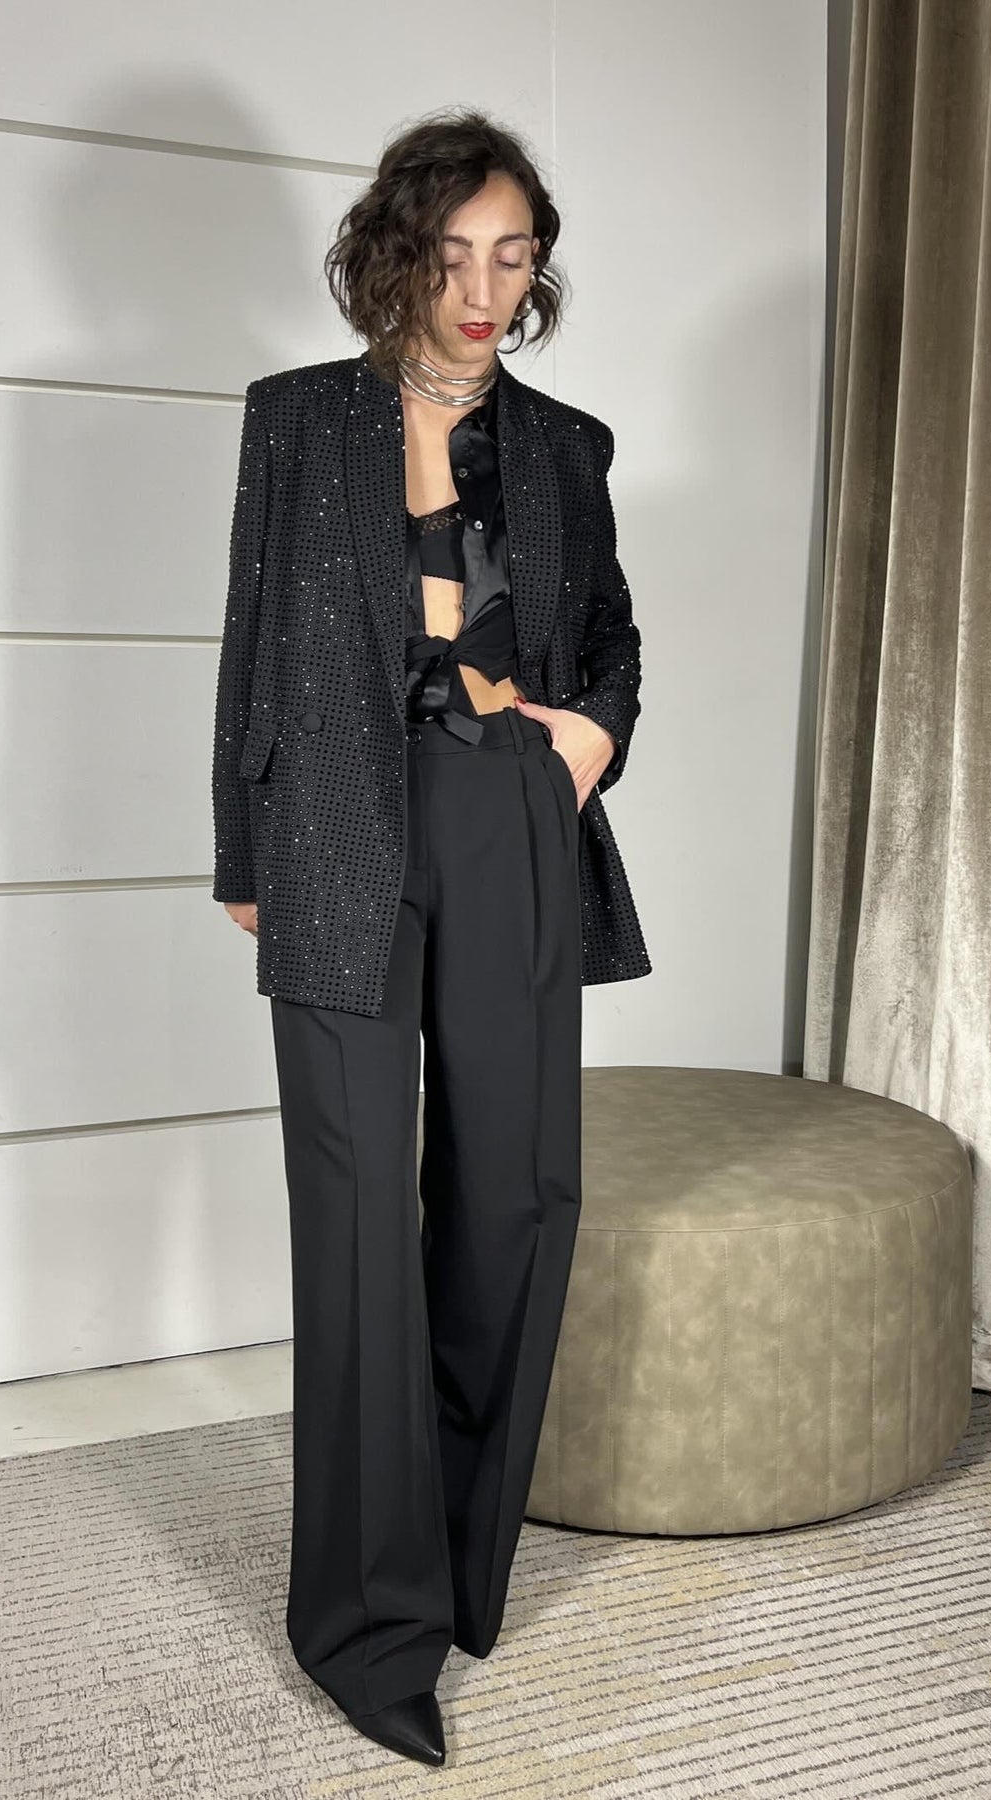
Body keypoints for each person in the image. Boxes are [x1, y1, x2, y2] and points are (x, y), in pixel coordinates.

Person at [210, 108, 651, 1767]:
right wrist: (240, 841)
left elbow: (610, 637)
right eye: (453, 255)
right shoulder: (293, 421)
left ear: (536, 271)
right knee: (352, 1219)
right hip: (333, 820)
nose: (481, 291)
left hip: (504, 811)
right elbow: (252, 635)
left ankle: (463, 1569)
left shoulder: (568, 446)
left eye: (511, 258)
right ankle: (364, 1628)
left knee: (512, 1196)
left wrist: (585, 737)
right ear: (395, 257)